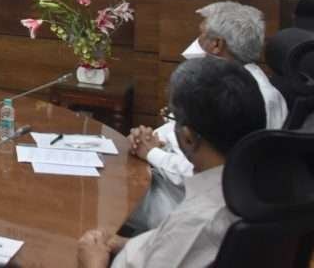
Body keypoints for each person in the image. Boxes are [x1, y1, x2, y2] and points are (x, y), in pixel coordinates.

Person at [77, 57, 266, 268]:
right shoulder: (265, 188)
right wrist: (127, 244)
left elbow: (180, 244)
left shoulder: (194, 221)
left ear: (188, 138)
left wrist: (92, 262)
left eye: (172, 117)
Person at [122, 1, 287, 231]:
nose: (196, 41)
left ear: (217, 44)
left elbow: (217, 174)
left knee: (116, 197)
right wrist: (152, 141)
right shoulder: (235, 83)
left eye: (201, 34)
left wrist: (152, 153)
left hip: (200, 205)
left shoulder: (247, 99)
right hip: (177, 175)